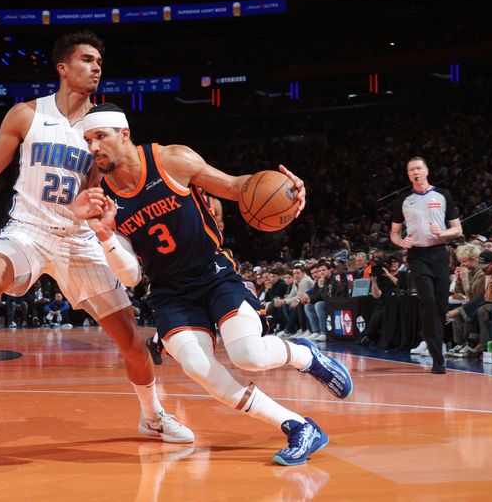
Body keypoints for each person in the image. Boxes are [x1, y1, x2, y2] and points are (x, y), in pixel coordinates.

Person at [0, 31, 192, 445]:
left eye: (99, 62)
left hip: (78, 238)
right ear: (63, 67)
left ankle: (153, 415)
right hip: (29, 229)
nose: (96, 68)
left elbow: (109, 184)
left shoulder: (103, 127)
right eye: (87, 60)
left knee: (130, 340)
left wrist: (94, 207)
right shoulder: (26, 115)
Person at [82, 103, 352, 466]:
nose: (94, 146)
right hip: (169, 292)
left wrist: (288, 191)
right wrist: (105, 236)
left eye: (100, 136)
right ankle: (298, 427)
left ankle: (305, 355)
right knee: (197, 366)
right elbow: (130, 276)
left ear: (124, 134)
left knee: (249, 355)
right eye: (88, 140)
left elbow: (238, 187)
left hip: (214, 274)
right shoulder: (101, 197)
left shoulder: (171, 160)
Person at [391, 157, 462, 374]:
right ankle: (437, 356)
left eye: (419, 168)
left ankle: (430, 336)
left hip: (439, 253)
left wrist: (443, 233)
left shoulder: (443, 195)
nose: (416, 172)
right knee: (428, 300)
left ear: (427, 170)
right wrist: (401, 242)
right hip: (417, 255)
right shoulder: (403, 200)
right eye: (411, 169)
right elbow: (394, 233)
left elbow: (457, 229)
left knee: (439, 306)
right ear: (408, 174)